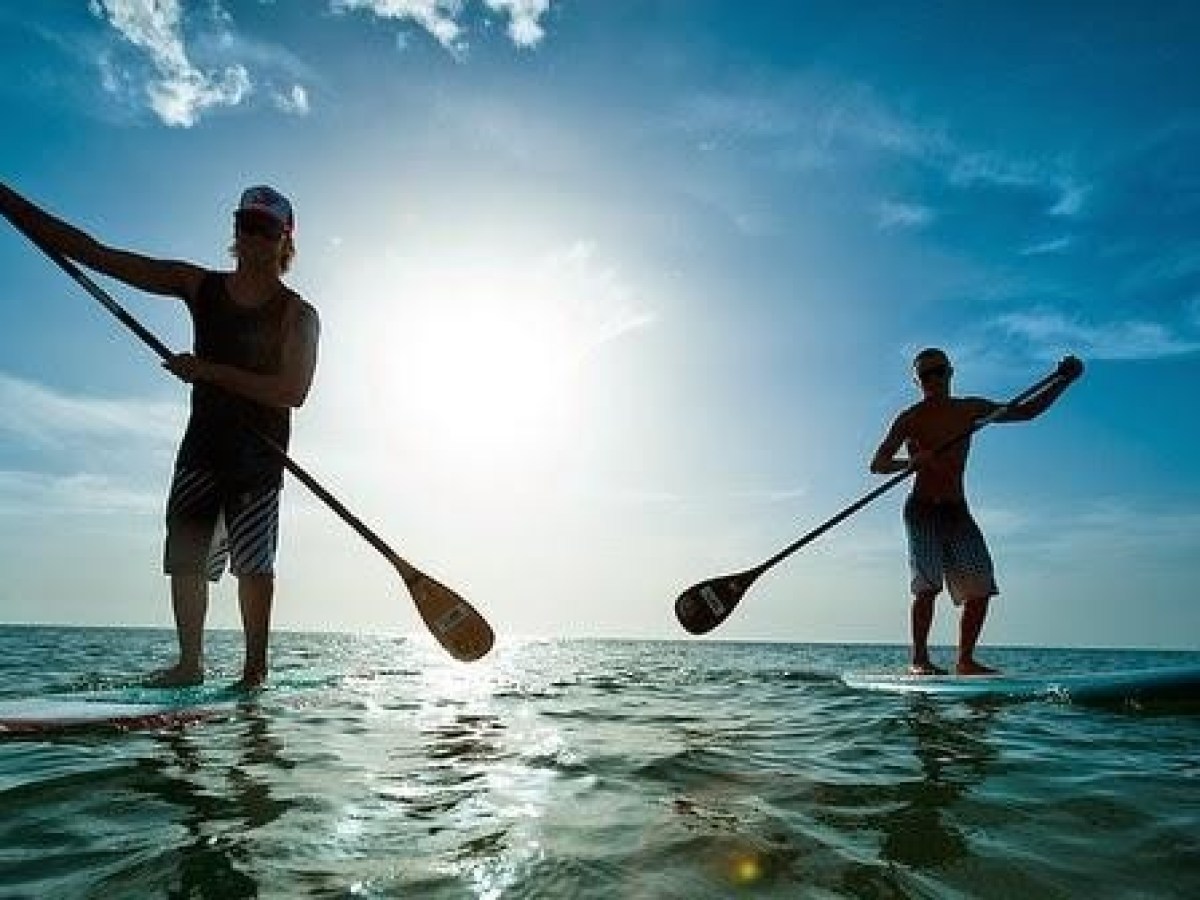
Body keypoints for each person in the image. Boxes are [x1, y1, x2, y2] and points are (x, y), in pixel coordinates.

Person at [0, 182, 319, 689]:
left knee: (253, 566)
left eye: (265, 228)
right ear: (235, 230)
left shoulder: (300, 315)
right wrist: (11, 204)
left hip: (259, 458)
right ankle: (189, 664)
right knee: (186, 559)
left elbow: (291, 391)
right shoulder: (197, 285)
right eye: (245, 224)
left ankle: (254, 669)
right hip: (202, 451)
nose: (253, 236)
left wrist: (207, 371)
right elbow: (98, 255)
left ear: (286, 239)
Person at [869, 348, 1083, 676]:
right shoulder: (910, 418)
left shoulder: (969, 409)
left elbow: (1026, 412)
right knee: (928, 587)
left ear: (950, 372)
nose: (933, 380)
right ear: (917, 381)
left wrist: (1064, 380)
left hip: (957, 509)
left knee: (980, 588)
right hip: (923, 509)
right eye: (925, 375)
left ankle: (965, 661)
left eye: (938, 371)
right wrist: (910, 463)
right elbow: (878, 464)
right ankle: (919, 660)